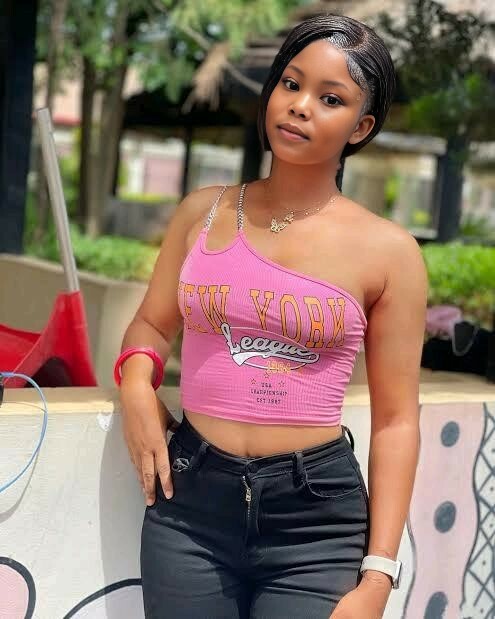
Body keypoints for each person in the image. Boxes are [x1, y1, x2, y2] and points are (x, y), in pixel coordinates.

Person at [115, 13, 427, 619]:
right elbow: (151, 325)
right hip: (190, 506)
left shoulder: (389, 252)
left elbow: (396, 422)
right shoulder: (202, 214)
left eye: (330, 98)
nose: (300, 106)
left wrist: (379, 575)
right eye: (291, 83)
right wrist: (135, 385)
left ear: (361, 126)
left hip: (315, 524)